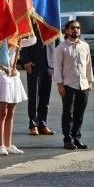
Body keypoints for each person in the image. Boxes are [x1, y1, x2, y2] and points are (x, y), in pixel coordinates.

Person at [0, 34, 35, 156]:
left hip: (14, 76)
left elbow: (32, 40)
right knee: (2, 112)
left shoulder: (17, 40)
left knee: (11, 112)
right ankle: (0, 145)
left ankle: (8, 144)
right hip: (1, 74)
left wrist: (29, 27)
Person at [54, 19, 92, 150]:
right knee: (68, 114)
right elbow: (57, 67)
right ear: (66, 30)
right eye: (72, 28)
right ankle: (68, 140)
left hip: (83, 85)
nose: (75, 30)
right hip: (68, 85)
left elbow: (88, 65)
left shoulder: (85, 46)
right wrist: (60, 85)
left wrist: (90, 81)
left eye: (78, 28)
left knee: (79, 114)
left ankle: (76, 138)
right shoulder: (61, 48)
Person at [20, 20, 57, 136]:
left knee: (45, 97)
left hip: (49, 64)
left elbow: (56, 44)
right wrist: (25, 60)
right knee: (34, 96)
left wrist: (56, 63)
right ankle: (33, 124)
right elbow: (24, 42)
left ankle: (42, 124)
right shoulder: (31, 22)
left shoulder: (52, 21)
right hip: (34, 64)